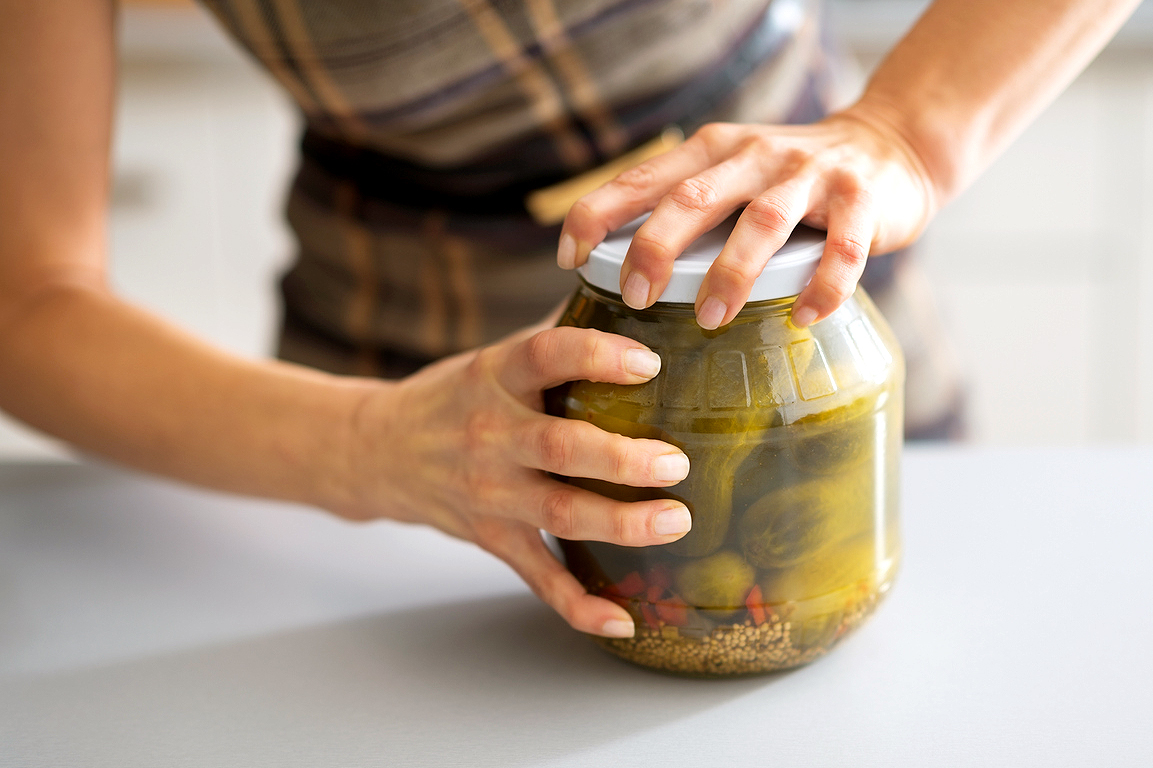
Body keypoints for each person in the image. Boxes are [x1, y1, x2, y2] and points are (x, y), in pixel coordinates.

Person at [0, 0, 1139, 641]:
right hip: (381, 370)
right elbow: (26, 301)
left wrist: (905, 134)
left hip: (790, 270)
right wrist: (367, 445)